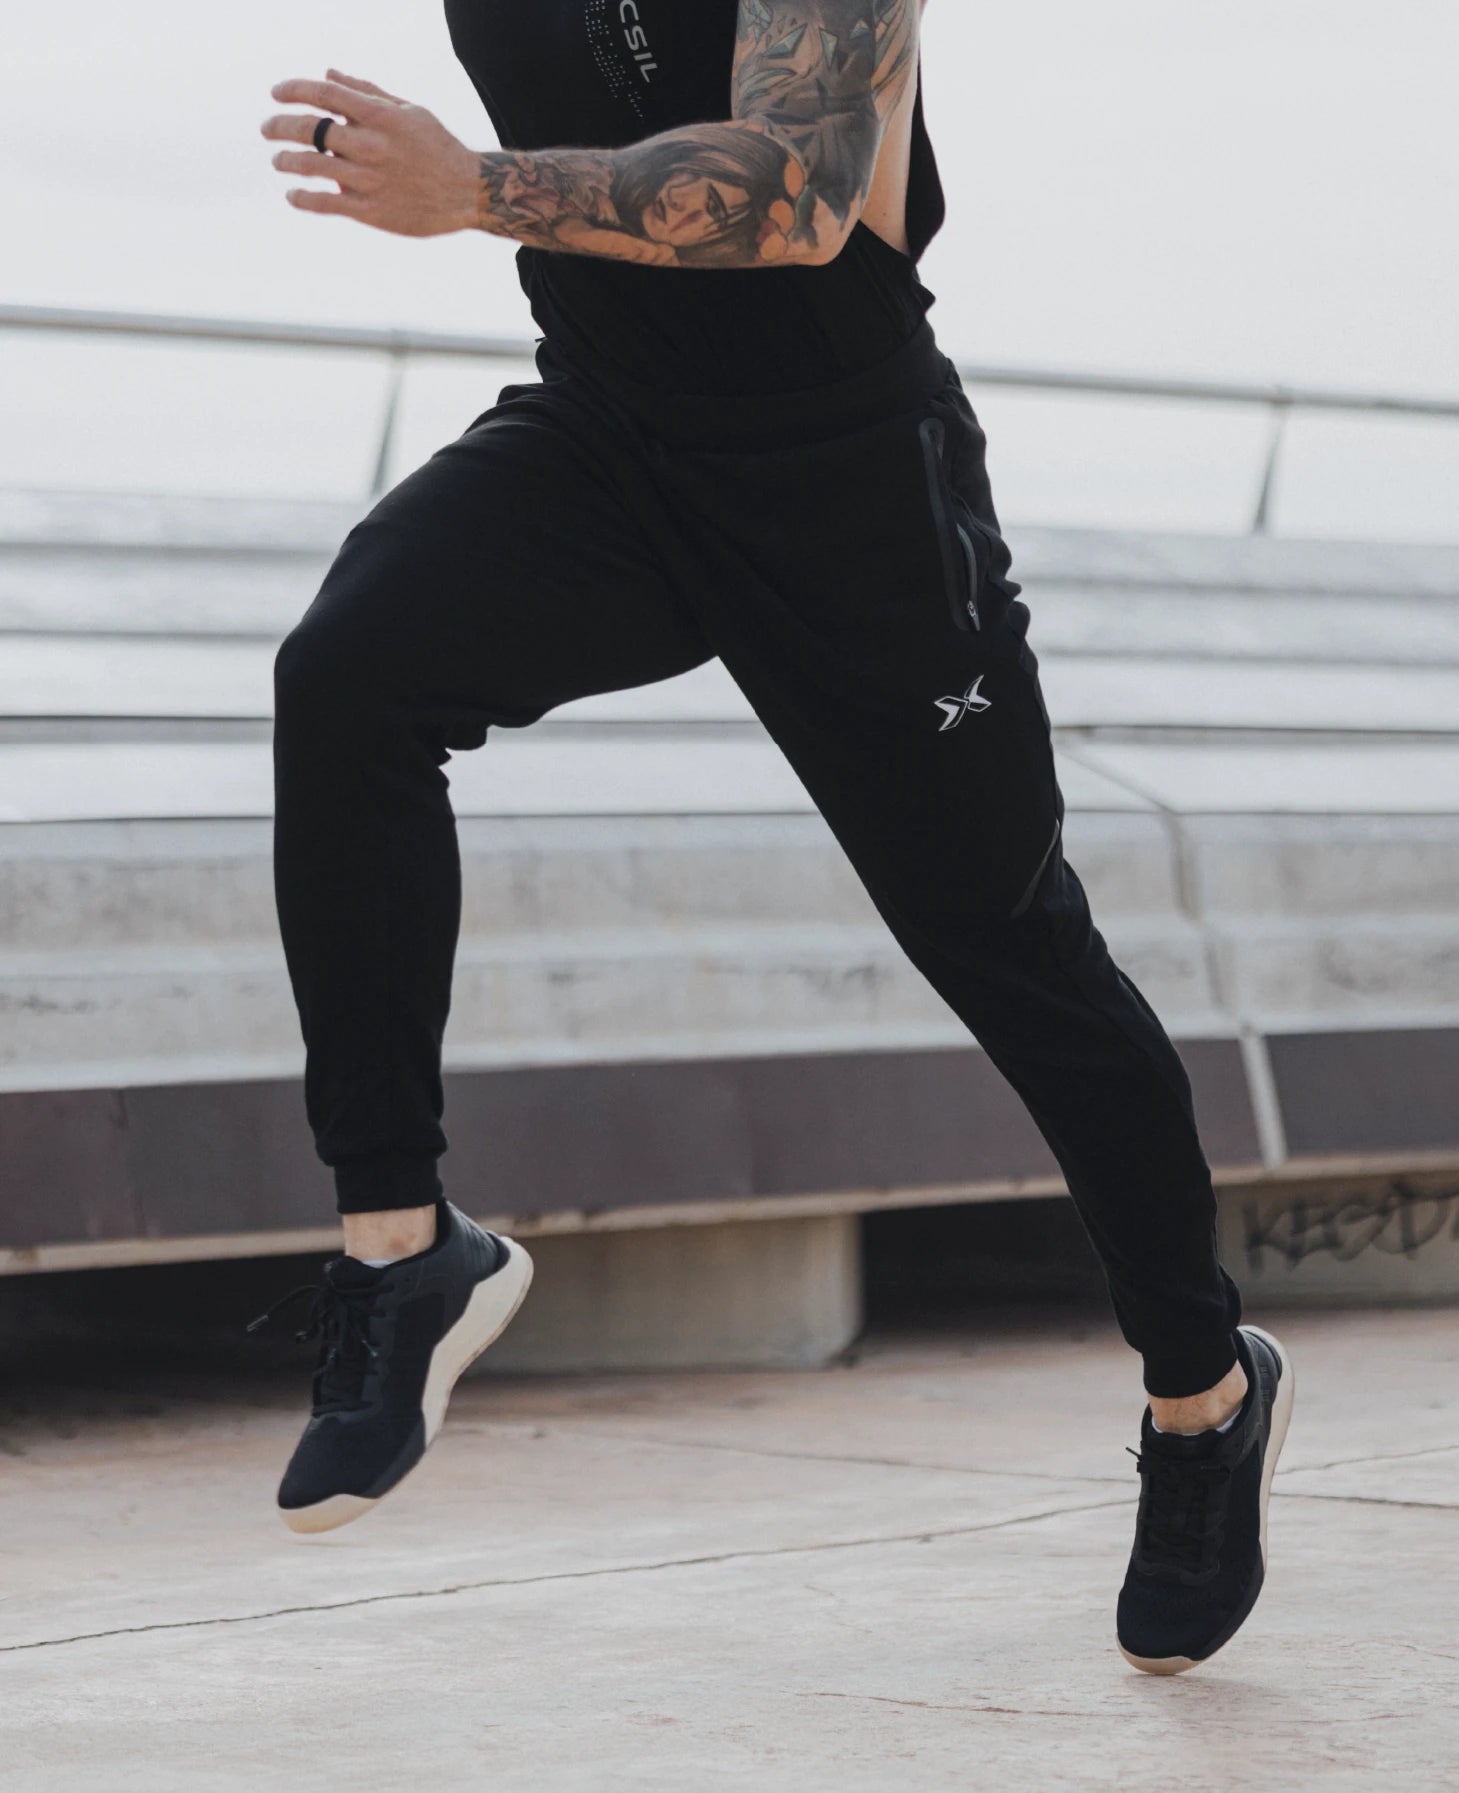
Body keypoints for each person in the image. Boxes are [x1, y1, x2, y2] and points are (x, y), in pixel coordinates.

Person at [255, 0, 1294, 1673]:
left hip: (847, 476)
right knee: (348, 676)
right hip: (609, 437)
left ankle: (1206, 1393)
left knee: (1014, 950)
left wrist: (471, 188)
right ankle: (402, 1248)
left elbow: (803, 193)